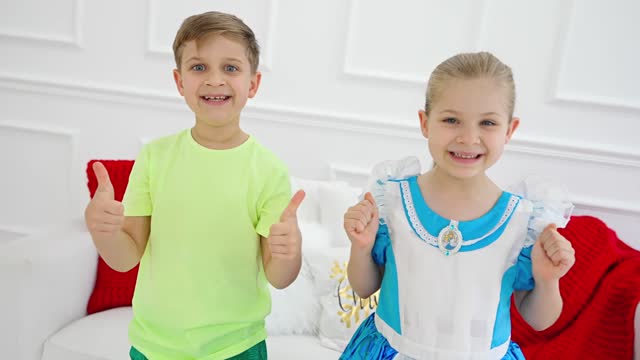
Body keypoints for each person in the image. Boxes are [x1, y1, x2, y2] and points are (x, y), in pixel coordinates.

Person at [84, 11, 304, 360]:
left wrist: (289, 251)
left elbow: (280, 276)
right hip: (153, 346)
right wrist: (103, 231)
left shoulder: (269, 171)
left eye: (230, 68)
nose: (214, 80)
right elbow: (125, 258)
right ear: (179, 80)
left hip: (236, 347)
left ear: (253, 84)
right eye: (199, 67)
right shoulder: (154, 157)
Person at [340, 52, 575, 360]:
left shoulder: (523, 222)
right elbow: (363, 288)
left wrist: (547, 279)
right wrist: (361, 247)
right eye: (451, 120)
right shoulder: (393, 201)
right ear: (425, 123)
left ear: (509, 130)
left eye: (488, 123)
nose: (468, 137)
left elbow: (538, 319)